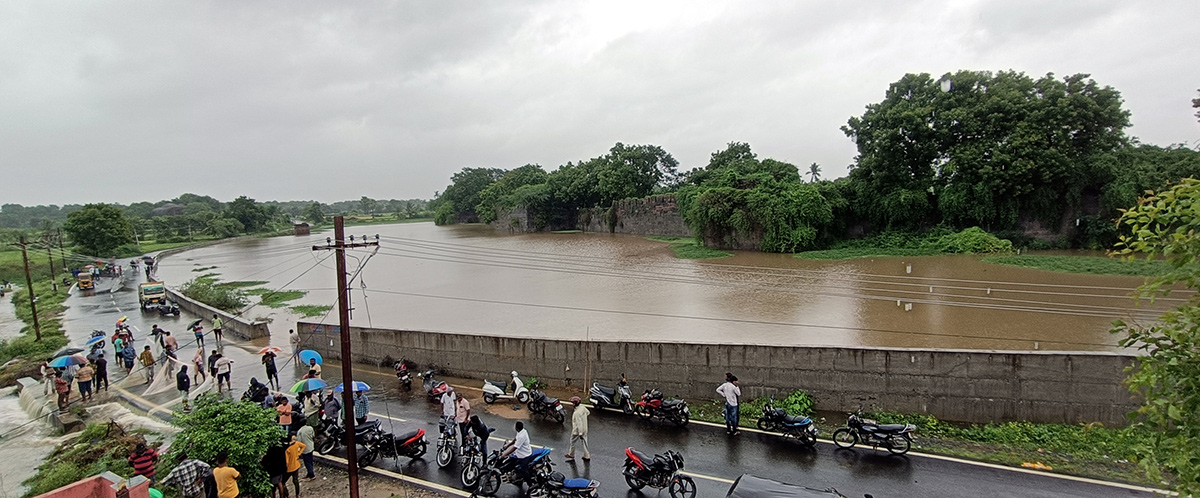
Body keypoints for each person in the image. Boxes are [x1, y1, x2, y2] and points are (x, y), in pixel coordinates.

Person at [565, 396, 590, 461]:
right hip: (585, 428)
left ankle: (571, 454)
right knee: (584, 442)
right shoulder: (582, 407)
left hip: (577, 431)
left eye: (573, 403)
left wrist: (580, 433)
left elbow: (579, 424)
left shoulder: (577, 413)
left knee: (572, 442)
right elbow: (588, 413)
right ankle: (586, 455)